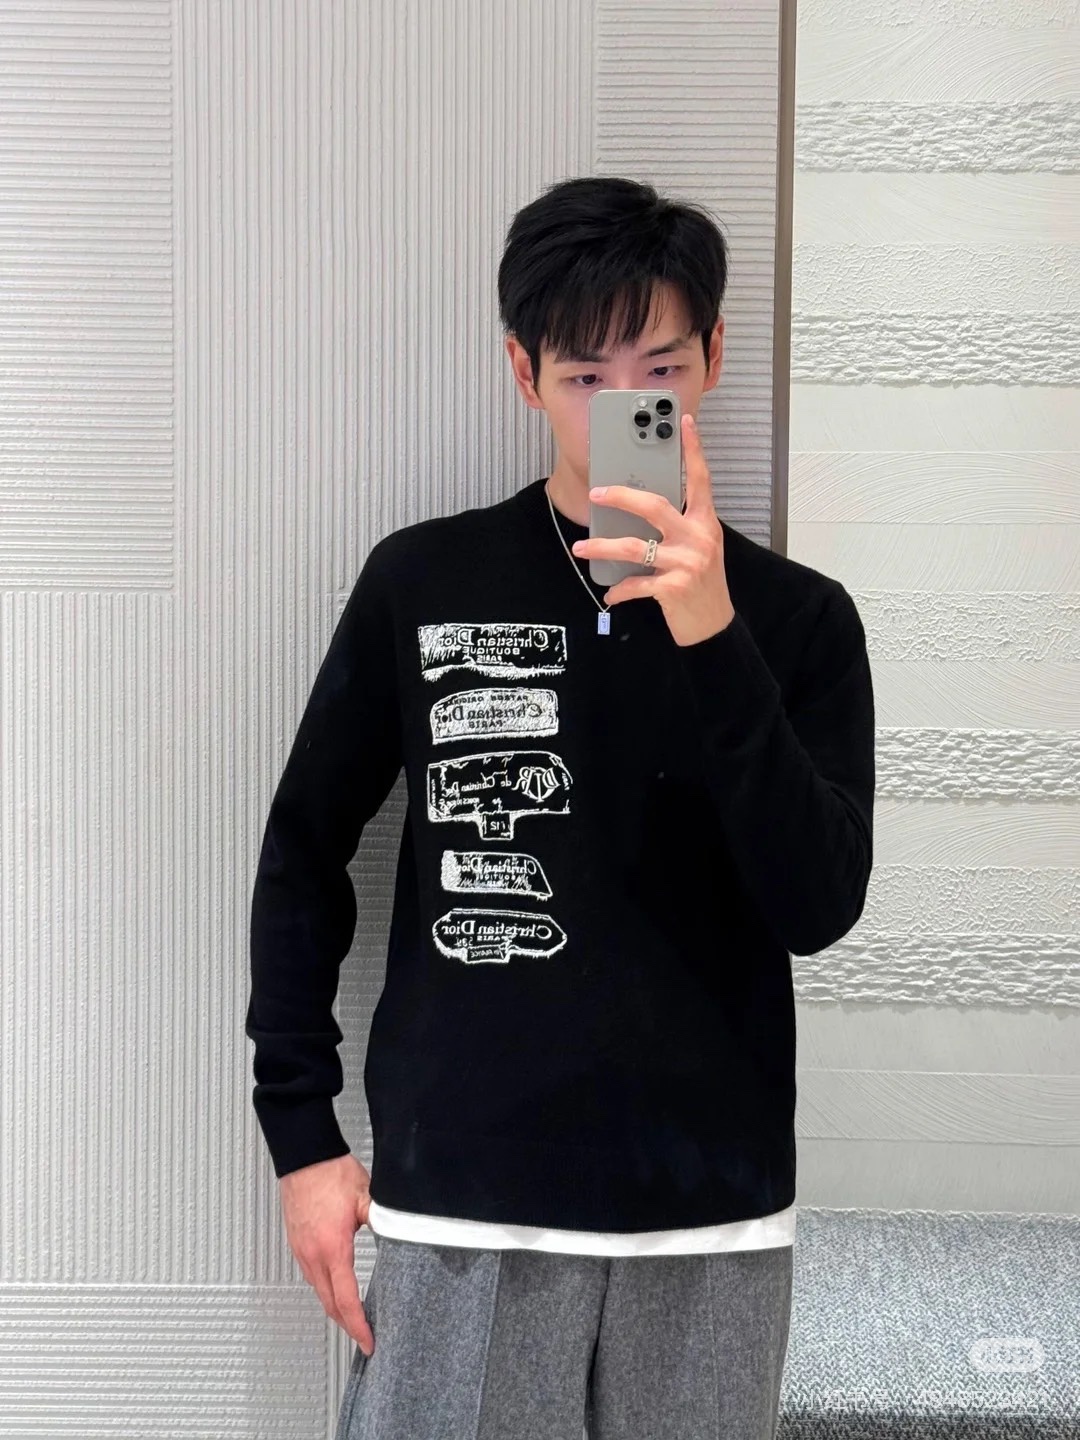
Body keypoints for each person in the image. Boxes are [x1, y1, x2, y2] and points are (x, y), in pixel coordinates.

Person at [246, 175, 876, 1440]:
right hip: (462, 1205)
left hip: (709, 1222)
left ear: (713, 358)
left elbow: (818, 905)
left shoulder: (800, 619)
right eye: (586, 373)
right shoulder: (424, 580)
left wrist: (713, 635)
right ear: (523, 372)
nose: (624, 403)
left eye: (661, 367)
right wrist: (303, 1137)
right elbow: (304, 853)